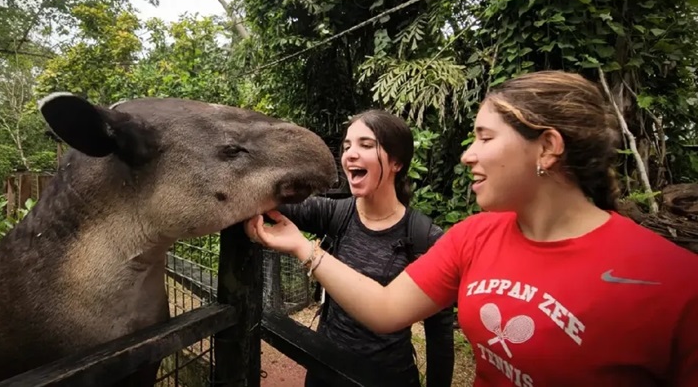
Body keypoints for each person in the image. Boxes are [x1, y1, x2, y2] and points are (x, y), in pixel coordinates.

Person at [246, 71, 698, 387]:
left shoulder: (674, 282)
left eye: (484, 137)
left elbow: (438, 336)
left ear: (548, 148)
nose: (467, 155)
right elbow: (386, 309)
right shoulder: (474, 236)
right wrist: (296, 241)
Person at [273, 109, 454, 387]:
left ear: (396, 162)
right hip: (325, 371)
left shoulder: (423, 237)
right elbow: (273, 199)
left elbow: (439, 335)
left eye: (366, 145)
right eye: (347, 147)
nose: (350, 154)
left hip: (387, 378)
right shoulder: (336, 214)